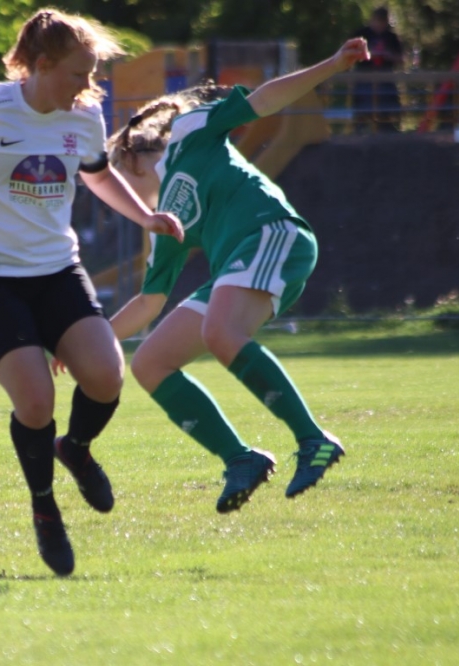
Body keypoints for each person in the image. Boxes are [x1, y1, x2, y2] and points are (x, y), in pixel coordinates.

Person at [0, 8, 183, 577]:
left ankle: (77, 449)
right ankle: (45, 508)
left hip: (56, 271)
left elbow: (97, 174)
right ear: (42, 65)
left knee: (106, 375)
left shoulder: (84, 115)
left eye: (90, 73)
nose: (87, 85)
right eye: (77, 73)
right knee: (37, 402)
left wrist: (146, 217)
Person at [85, 38, 369, 514]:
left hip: (272, 234)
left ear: (128, 159)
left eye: (115, 183)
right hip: (240, 262)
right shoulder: (162, 224)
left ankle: (313, 439)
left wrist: (333, 63)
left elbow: (263, 100)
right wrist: (91, 343)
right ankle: (241, 459)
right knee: (150, 363)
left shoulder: (189, 132)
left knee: (220, 332)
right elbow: (149, 303)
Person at [352, 7, 404, 132]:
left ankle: (387, 129)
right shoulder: (361, 34)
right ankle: (361, 129)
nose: (380, 24)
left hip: (385, 78)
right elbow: (350, 55)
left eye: (383, 21)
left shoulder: (391, 37)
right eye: (377, 21)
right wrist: (369, 54)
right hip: (364, 77)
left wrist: (388, 55)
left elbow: (400, 58)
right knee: (363, 106)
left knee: (387, 106)